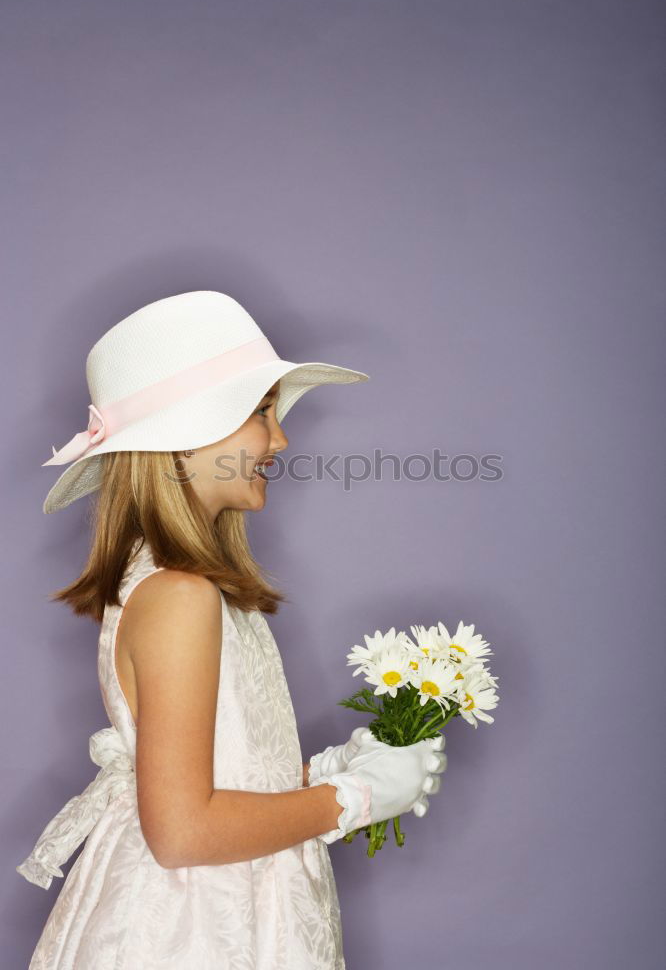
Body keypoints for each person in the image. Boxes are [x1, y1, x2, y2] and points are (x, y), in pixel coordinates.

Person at [16, 289, 447, 969]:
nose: (281, 438)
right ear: (185, 437)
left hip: (212, 903)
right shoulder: (179, 596)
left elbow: (203, 768)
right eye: (260, 413)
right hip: (193, 926)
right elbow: (184, 832)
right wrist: (350, 799)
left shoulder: (175, 586)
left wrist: (316, 773)